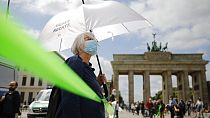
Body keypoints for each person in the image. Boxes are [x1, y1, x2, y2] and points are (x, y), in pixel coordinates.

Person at [51, 32, 106, 118]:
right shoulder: (75, 62)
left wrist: (98, 83)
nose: (93, 42)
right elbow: (70, 97)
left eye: (94, 40)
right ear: (79, 46)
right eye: (88, 39)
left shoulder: (88, 68)